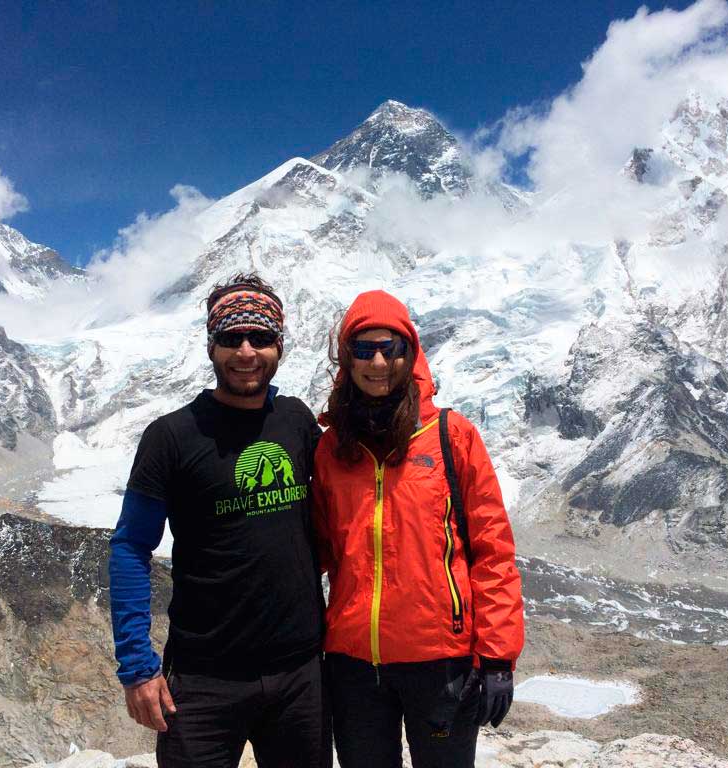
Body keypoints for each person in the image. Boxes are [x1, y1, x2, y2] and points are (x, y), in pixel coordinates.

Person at [108, 273, 329, 768]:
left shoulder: (298, 422)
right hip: (203, 679)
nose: (246, 352)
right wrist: (137, 668)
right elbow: (130, 547)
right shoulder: (171, 438)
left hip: (300, 674)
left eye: (261, 338)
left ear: (280, 347)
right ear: (211, 347)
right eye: (231, 338)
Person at [313, 290, 524, 768]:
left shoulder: (453, 436)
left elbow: (493, 550)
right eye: (364, 349)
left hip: (441, 662)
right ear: (347, 358)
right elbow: (320, 549)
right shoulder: (331, 448)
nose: (379, 362)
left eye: (392, 347)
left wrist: (497, 657)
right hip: (353, 663)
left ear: (412, 353)